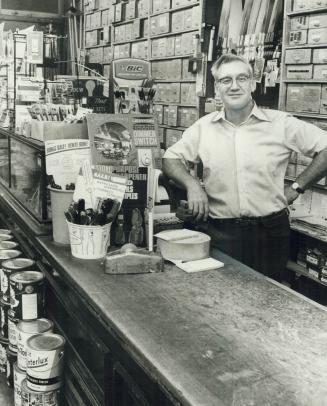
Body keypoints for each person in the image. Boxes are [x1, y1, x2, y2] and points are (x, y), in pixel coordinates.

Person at [162, 53, 327, 282]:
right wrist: (192, 185)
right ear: (217, 88)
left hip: (271, 232)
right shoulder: (204, 128)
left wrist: (297, 187)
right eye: (225, 80)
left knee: (269, 299)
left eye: (242, 78)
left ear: (253, 83)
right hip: (222, 232)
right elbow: (170, 159)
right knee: (224, 299)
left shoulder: (280, 123)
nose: (234, 86)